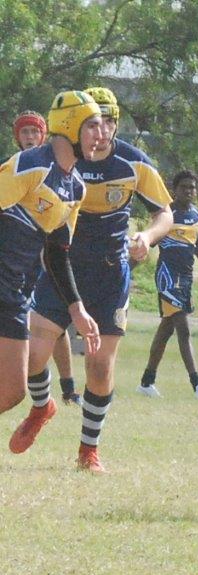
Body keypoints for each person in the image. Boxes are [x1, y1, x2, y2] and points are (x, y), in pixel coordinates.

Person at [9, 87, 173, 473]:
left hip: (109, 274)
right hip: (59, 269)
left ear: (115, 124)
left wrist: (147, 237)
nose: (101, 132)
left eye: (108, 123)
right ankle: (41, 407)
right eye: (93, 124)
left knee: (99, 366)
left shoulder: (134, 163)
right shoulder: (62, 159)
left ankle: (88, 450)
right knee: (32, 356)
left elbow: (165, 213)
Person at [0, 91, 102, 424]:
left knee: (11, 391)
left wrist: (77, 308)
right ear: (70, 126)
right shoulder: (29, 165)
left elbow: (57, 253)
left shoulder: (76, 189)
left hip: (16, 293)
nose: (101, 135)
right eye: (92, 126)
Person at [12, 111, 83, 406]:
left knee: (54, 327)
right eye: (24, 132)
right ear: (17, 137)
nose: (30, 137)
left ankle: (68, 388)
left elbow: (59, 235)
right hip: (15, 266)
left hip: (44, 265)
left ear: (44, 136)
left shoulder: (65, 177)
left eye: (35, 132)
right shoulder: (14, 168)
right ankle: (44, 403)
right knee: (27, 336)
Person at [137, 171, 198, 399]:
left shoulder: (197, 215)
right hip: (168, 276)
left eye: (192, 187)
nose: (189, 191)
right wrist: (128, 266)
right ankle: (197, 384)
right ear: (174, 190)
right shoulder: (166, 215)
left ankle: (147, 382)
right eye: (184, 187)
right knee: (183, 328)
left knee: (166, 329)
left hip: (186, 277)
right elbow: (149, 243)